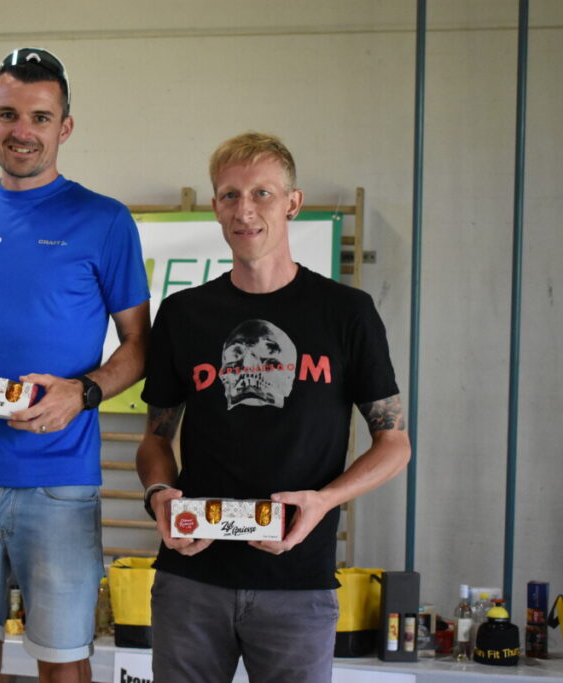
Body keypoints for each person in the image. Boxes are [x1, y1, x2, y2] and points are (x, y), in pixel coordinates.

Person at [0, 47, 150, 683]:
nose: (23, 131)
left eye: (40, 117)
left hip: (59, 481)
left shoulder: (106, 220)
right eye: (9, 114)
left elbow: (139, 346)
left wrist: (82, 392)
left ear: (64, 127)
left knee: (64, 664)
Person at [136, 132, 411, 683]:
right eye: (230, 195)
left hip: (298, 584)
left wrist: (323, 501)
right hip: (192, 578)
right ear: (216, 206)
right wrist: (159, 493)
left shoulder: (347, 313)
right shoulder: (184, 313)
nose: (245, 210)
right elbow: (156, 438)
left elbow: (395, 443)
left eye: (262, 193)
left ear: (292, 202)